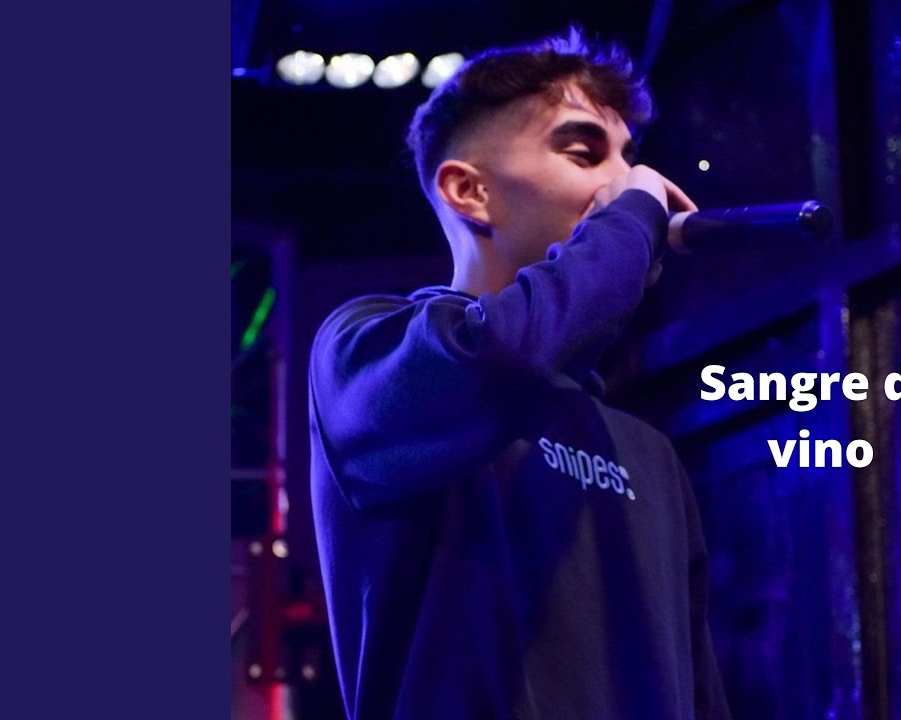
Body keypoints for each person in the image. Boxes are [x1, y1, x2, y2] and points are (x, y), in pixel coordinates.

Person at [308, 28, 731, 719]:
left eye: (630, 161)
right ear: (469, 191)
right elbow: (503, 361)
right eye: (584, 153)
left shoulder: (651, 455)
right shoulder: (366, 352)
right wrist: (627, 225)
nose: (626, 184)